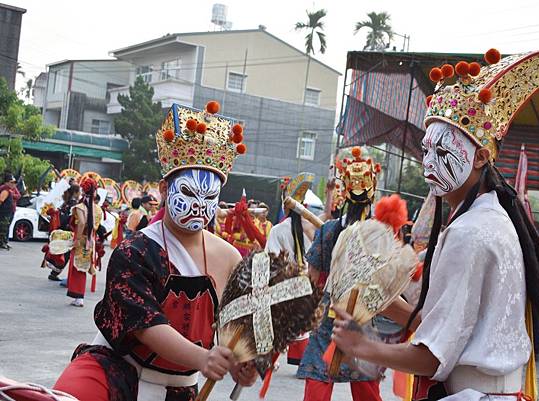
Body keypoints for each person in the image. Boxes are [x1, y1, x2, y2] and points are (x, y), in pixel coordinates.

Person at [331, 48, 539, 400]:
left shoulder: (470, 232)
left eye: (443, 152)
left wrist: (363, 346)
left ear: (481, 157)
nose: (429, 164)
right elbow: (443, 322)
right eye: (426, 151)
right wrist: (379, 297)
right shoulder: (490, 220)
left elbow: (431, 357)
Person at [53, 101, 257, 401]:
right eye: (188, 192)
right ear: (164, 190)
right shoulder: (134, 251)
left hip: (180, 389)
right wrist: (203, 358)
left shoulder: (229, 257)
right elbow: (146, 325)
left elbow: (239, 328)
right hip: (114, 375)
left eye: (210, 195)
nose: (199, 205)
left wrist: (247, 363)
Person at [297, 148, 384, 401]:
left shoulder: (330, 230)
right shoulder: (381, 234)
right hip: (358, 317)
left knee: (322, 384)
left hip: (333, 315)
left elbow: (311, 281)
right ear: (373, 192)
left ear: (344, 193)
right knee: (365, 387)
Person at [266, 172, 316, 365]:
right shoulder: (311, 229)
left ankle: (268, 360)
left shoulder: (278, 230)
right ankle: (301, 361)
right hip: (305, 283)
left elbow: (271, 259)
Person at [65, 178, 102, 307]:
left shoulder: (80, 207)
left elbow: (81, 223)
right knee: (84, 266)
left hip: (81, 239)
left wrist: (76, 240)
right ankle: (79, 296)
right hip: (90, 240)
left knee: (78, 268)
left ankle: (78, 296)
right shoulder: (98, 209)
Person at [0, 173, 18, 250]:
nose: (13, 184)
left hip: (8, 212)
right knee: (3, 228)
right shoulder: (5, 190)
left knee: (6, 228)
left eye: (14, 182)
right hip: (4, 213)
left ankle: (4, 242)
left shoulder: (9, 189)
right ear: (7, 182)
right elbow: (1, 200)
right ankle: (2, 243)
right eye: (11, 182)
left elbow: (19, 195)